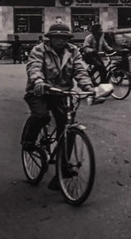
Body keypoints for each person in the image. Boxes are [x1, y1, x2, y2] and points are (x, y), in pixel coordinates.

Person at [20, 23, 94, 190]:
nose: (60, 41)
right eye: (57, 38)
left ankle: (62, 171)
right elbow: (34, 67)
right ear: (50, 38)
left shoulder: (73, 51)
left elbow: (80, 70)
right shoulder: (39, 50)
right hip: (39, 91)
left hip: (61, 93)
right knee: (41, 116)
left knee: (67, 128)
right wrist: (38, 81)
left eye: (64, 38)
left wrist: (88, 87)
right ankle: (28, 141)